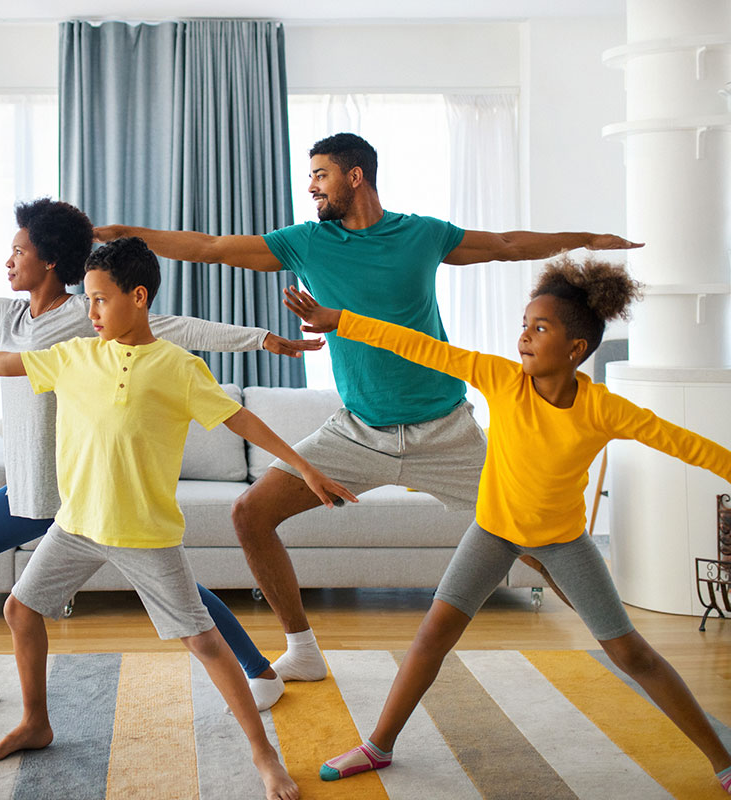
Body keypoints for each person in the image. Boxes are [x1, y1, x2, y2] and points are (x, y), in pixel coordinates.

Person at [94, 132, 644, 684]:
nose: (310, 185)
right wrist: (128, 235)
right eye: (310, 176)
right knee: (250, 513)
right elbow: (212, 247)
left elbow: (503, 243)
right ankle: (302, 649)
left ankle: (626, 652)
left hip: (447, 433)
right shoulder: (305, 242)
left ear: (355, 176)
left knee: (539, 544)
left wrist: (586, 239)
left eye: (320, 174)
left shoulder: (420, 235)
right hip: (357, 432)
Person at [0, 237, 359, 800]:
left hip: (143, 534)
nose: (91, 313)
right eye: (87, 300)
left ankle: (264, 754)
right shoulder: (77, 356)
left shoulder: (178, 367)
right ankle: (36, 721)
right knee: (19, 609)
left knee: (204, 643)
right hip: (77, 524)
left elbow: (241, 423)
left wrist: (303, 468)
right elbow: (2, 360)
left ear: (138, 296)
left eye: (101, 300)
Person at [0, 198, 321, 711]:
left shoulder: (86, 315)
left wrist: (260, 339)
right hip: (28, 482)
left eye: (18, 251)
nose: (8, 261)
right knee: (164, 582)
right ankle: (255, 669)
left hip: (65, 488)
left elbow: (175, 327)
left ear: (49, 260)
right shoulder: (5, 316)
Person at [280, 256, 731, 794]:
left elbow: (683, 442)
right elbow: (423, 347)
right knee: (432, 635)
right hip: (492, 531)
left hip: (562, 543)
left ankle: (723, 763)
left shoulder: (604, 409)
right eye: (523, 324)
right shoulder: (502, 380)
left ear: (576, 349)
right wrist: (344, 321)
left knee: (630, 652)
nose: (524, 337)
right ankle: (378, 745)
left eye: (540, 328)